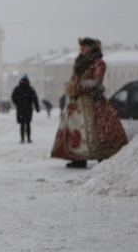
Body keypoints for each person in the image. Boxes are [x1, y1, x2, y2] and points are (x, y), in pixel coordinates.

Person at [50, 38, 128, 168]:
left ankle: (102, 155)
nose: (82, 49)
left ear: (92, 48)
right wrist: (71, 86)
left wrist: (77, 87)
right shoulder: (80, 63)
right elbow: (74, 78)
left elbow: (96, 82)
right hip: (77, 102)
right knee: (76, 129)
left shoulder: (98, 63)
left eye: (85, 47)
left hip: (93, 102)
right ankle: (78, 157)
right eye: (82, 47)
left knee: (99, 128)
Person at [10, 75, 40, 143]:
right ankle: (29, 138)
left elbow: (13, 97)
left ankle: (22, 138)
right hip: (28, 108)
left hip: (20, 109)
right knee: (28, 123)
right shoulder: (30, 89)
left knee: (22, 124)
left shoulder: (17, 89)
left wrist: (17, 103)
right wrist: (37, 107)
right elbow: (35, 99)